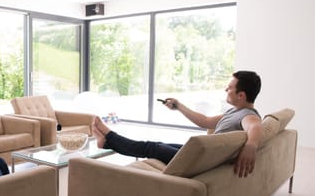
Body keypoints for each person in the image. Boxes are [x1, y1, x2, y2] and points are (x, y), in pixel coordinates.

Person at [92, 70, 264, 178]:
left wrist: (251, 146)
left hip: (201, 162)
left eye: (230, 87)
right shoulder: (235, 111)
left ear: (241, 95)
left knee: (150, 147)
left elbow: (255, 126)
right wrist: (179, 106)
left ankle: (108, 137)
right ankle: (106, 141)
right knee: (159, 144)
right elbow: (205, 121)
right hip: (201, 155)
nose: (226, 90)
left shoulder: (248, 115)